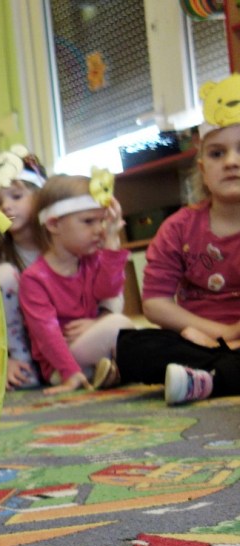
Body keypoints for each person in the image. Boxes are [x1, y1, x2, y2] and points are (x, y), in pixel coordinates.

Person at [98, 91, 240, 404]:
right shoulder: (178, 228)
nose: (231, 162)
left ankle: (208, 380)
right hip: (193, 337)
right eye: (217, 153)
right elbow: (155, 303)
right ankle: (211, 373)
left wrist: (233, 338)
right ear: (202, 169)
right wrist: (220, 333)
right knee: (132, 346)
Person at [18, 172, 135, 394]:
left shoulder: (91, 260)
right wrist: (69, 372)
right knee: (119, 326)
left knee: (134, 338)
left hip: (89, 345)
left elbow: (110, 290)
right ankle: (94, 371)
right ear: (54, 224)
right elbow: (47, 335)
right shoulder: (34, 279)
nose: (99, 229)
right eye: (88, 221)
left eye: (101, 221)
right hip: (60, 365)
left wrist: (111, 243)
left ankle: (105, 371)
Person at [0, 145, 48, 389]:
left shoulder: (60, 242)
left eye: (16, 197)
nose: (6, 207)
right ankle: (21, 363)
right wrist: (5, 359)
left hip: (58, 337)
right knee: (3, 276)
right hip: (22, 345)